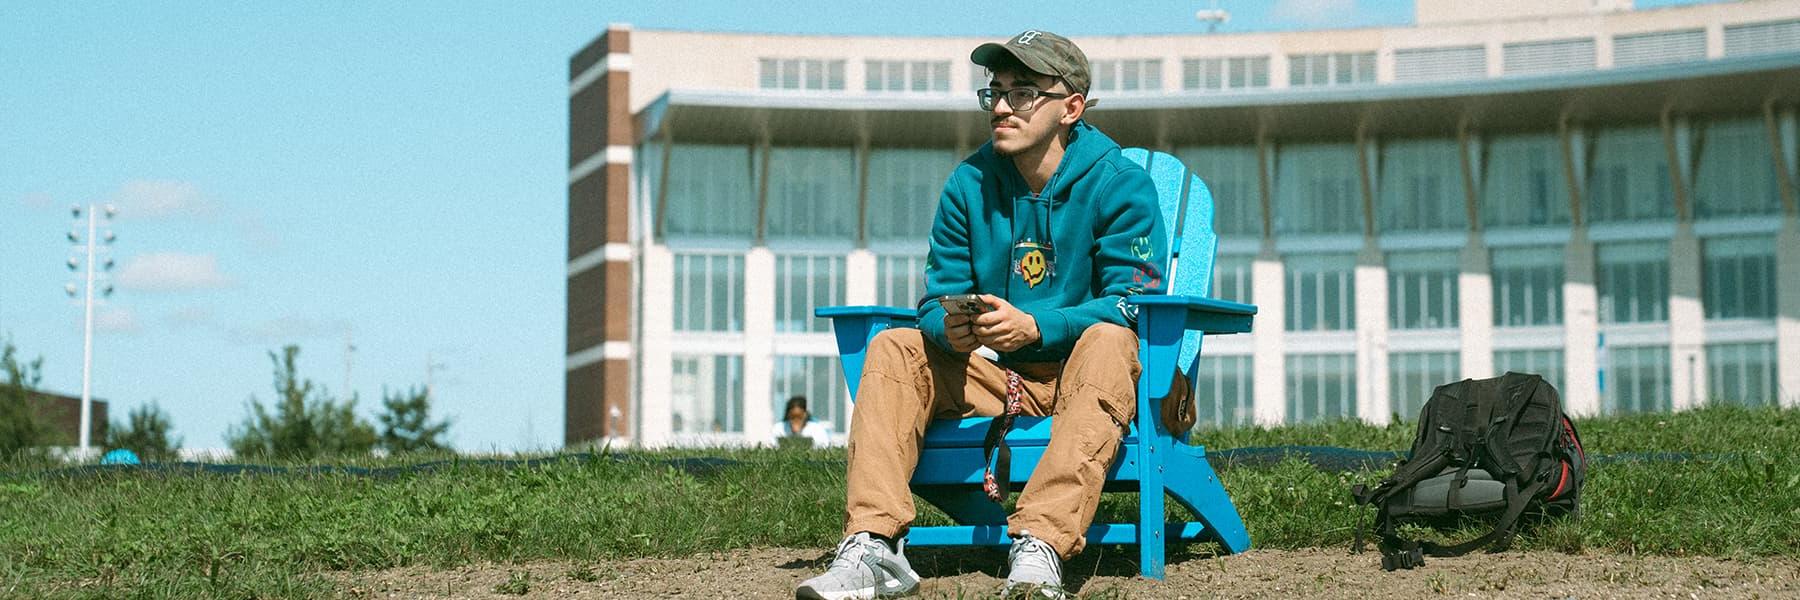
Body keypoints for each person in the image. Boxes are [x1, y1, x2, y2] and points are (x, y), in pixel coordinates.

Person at [796, 29, 1173, 600]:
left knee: (1110, 340)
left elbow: (1133, 302)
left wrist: (1040, 326)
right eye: (994, 91)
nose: (1000, 106)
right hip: (1001, 378)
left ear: (1071, 107)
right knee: (894, 347)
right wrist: (944, 327)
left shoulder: (1121, 185)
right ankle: (872, 547)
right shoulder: (968, 185)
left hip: (1095, 378)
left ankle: (1040, 547)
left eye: (1022, 92)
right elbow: (936, 294)